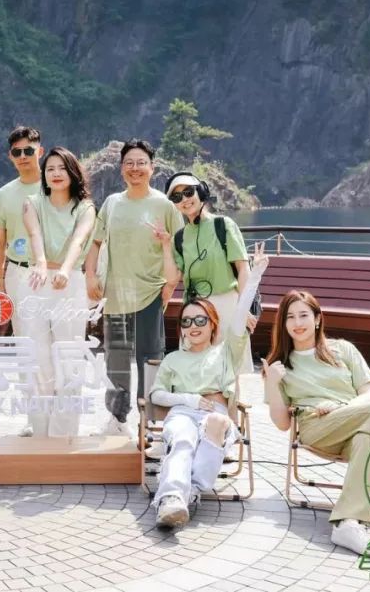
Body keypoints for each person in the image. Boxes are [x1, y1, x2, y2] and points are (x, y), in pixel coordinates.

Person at [263, 290, 370, 554]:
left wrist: (341, 408)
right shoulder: (280, 365)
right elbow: (282, 424)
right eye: (290, 317)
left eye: (303, 315)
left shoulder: (343, 349)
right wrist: (273, 383)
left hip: (355, 421)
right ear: (283, 323)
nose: (297, 323)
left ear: (317, 319)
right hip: (316, 427)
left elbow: (368, 395)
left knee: (368, 438)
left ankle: (348, 523)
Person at [149, 244, 268, 528]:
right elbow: (156, 394)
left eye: (200, 320)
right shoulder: (173, 359)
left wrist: (253, 277)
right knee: (183, 437)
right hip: (183, 411)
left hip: (216, 411)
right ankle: (175, 497)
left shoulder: (226, 352)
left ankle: (182, 494)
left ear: (213, 324)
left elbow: (239, 316)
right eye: (187, 321)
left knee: (217, 422)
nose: (193, 326)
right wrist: (189, 400)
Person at [84, 139, 182, 436]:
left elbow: (179, 250)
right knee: (115, 361)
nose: (135, 168)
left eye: (141, 163)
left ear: (152, 168)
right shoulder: (112, 203)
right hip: (114, 295)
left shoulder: (165, 206)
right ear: (121, 168)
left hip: (150, 293)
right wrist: (90, 276)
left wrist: (170, 286)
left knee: (150, 360)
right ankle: (117, 420)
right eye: (129, 163)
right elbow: (96, 242)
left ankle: (150, 421)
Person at [19, 146, 95, 437]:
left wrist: (65, 268)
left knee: (69, 357)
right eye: (50, 168)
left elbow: (79, 240)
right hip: (37, 282)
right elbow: (34, 234)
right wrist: (41, 263)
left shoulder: (85, 207)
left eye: (62, 168)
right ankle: (40, 432)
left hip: (70, 282)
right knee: (38, 357)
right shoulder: (32, 203)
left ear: (73, 172)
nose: (56, 173)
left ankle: (63, 434)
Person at [163, 171, 256, 373]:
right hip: (194, 310)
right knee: (194, 372)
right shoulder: (179, 238)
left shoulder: (223, 225)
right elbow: (172, 279)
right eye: (177, 197)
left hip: (227, 305)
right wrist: (165, 245)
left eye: (188, 192)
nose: (184, 200)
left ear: (201, 191)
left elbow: (243, 268)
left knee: (231, 371)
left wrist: (244, 308)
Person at [0, 127, 44, 434]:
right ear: (10, 157)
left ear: (40, 151)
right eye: (17, 152)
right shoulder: (4, 194)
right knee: (25, 344)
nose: (23, 156)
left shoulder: (55, 184)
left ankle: (58, 412)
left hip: (54, 275)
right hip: (18, 273)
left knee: (56, 342)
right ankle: (33, 416)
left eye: (28, 150)